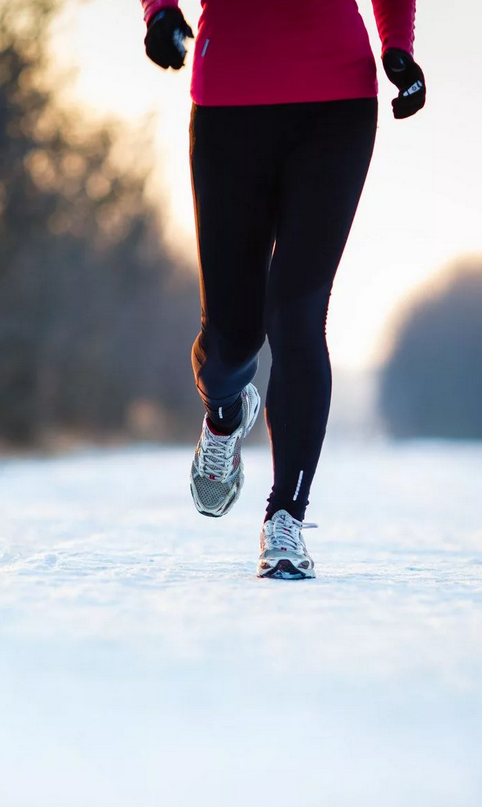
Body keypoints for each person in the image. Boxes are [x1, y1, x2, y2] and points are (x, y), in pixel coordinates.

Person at [140, 0, 425, 579]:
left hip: (336, 102)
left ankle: (285, 519)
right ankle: (225, 412)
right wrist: (160, 12)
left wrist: (398, 46)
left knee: (295, 316)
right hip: (229, 102)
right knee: (230, 337)